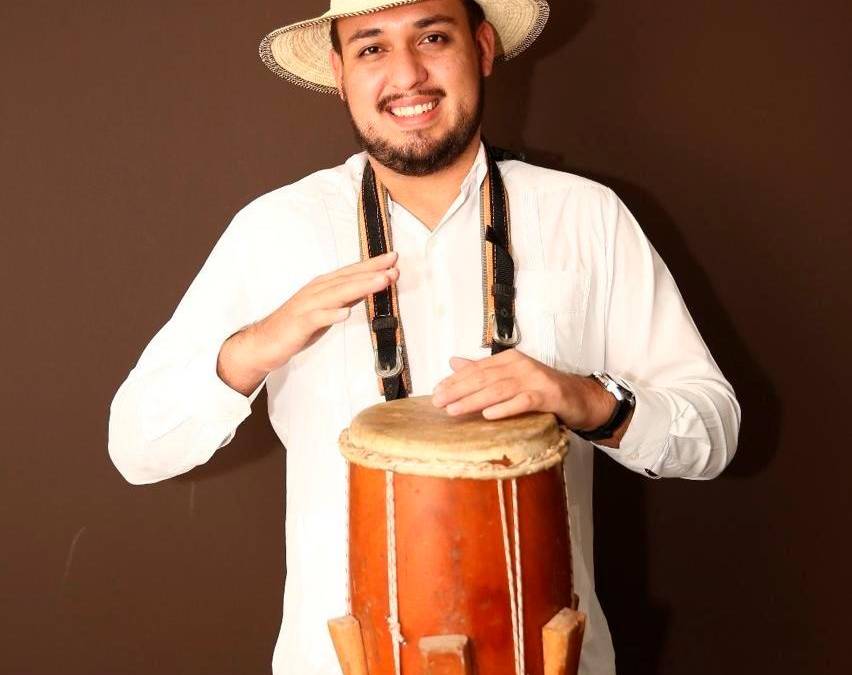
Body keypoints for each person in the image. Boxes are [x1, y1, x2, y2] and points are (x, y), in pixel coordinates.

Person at [108, 1, 740, 673]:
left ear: (483, 48)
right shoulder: (275, 231)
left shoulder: (586, 216)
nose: (407, 74)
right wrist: (257, 345)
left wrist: (585, 400)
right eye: (372, 48)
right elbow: (136, 447)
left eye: (432, 37)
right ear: (339, 72)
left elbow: (714, 433)